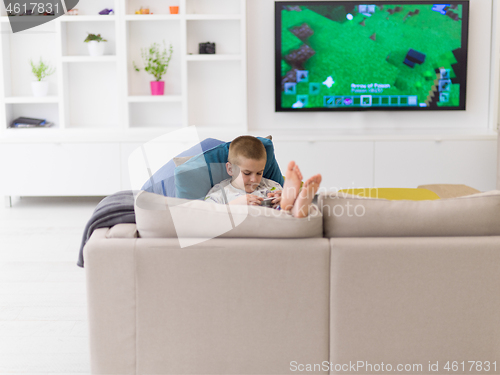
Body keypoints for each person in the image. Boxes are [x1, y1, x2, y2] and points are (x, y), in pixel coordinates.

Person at [204, 135, 321, 218]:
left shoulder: (271, 185)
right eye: (247, 173)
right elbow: (206, 215)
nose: (254, 179)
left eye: (259, 173)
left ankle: (295, 201)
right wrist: (235, 205)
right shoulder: (220, 192)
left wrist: (281, 199)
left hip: (276, 222)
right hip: (247, 227)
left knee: (288, 209)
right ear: (230, 169)